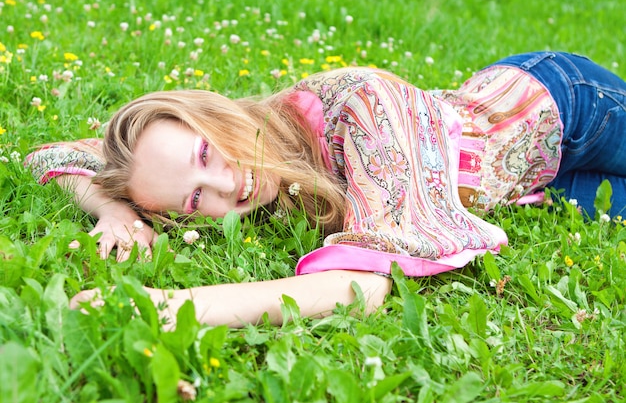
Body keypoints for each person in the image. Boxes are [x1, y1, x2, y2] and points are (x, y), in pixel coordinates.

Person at [25, 51, 626, 328]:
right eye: (192, 200)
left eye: (208, 151)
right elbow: (46, 154)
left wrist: (171, 308)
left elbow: (363, 289)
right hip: (541, 182)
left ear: (213, 113)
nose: (226, 188)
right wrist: (113, 211)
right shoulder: (251, 171)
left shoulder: (362, 109)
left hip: (565, 107)